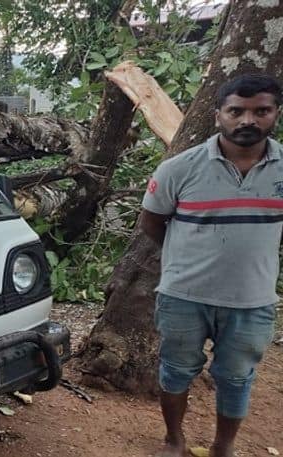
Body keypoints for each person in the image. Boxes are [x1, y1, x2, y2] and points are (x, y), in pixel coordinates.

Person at [141, 74, 282, 457]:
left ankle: (224, 447)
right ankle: (174, 440)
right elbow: (152, 223)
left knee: (237, 378)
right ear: (218, 114)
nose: (248, 121)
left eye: (261, 111)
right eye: (236, 110)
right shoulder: (179, 169)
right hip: (183, 296)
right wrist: (188, 260)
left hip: (252, 301)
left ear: (275, 114)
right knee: (175, 372)